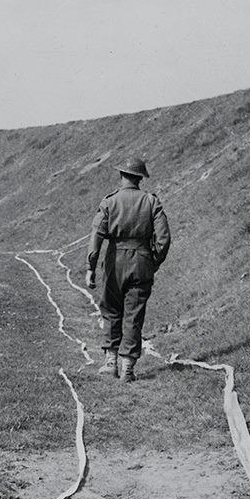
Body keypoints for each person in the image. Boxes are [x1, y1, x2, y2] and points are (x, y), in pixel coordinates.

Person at [85, 157, 171, 382]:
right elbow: (163, 238)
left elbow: (96, 236)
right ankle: (128, 368)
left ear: (121, 175)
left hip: (115, 262)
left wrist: (90, 267)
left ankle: (110, 363)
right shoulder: (152, 202)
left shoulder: (109, 202)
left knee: (112, 311)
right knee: (134, 314)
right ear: (140, 178)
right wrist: (153, 262)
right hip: (142, 262)